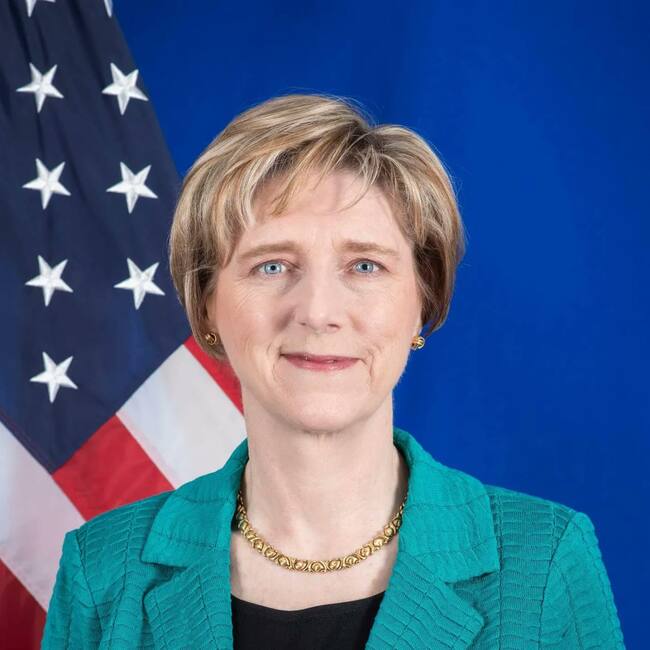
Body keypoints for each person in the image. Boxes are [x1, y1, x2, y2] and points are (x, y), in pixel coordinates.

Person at [41, 93, 626, 649]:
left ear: (422, 299)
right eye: (272, 266)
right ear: (208, 303)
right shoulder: (103, 571)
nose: (318, 312)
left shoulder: (544, 564)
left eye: (365, 266)